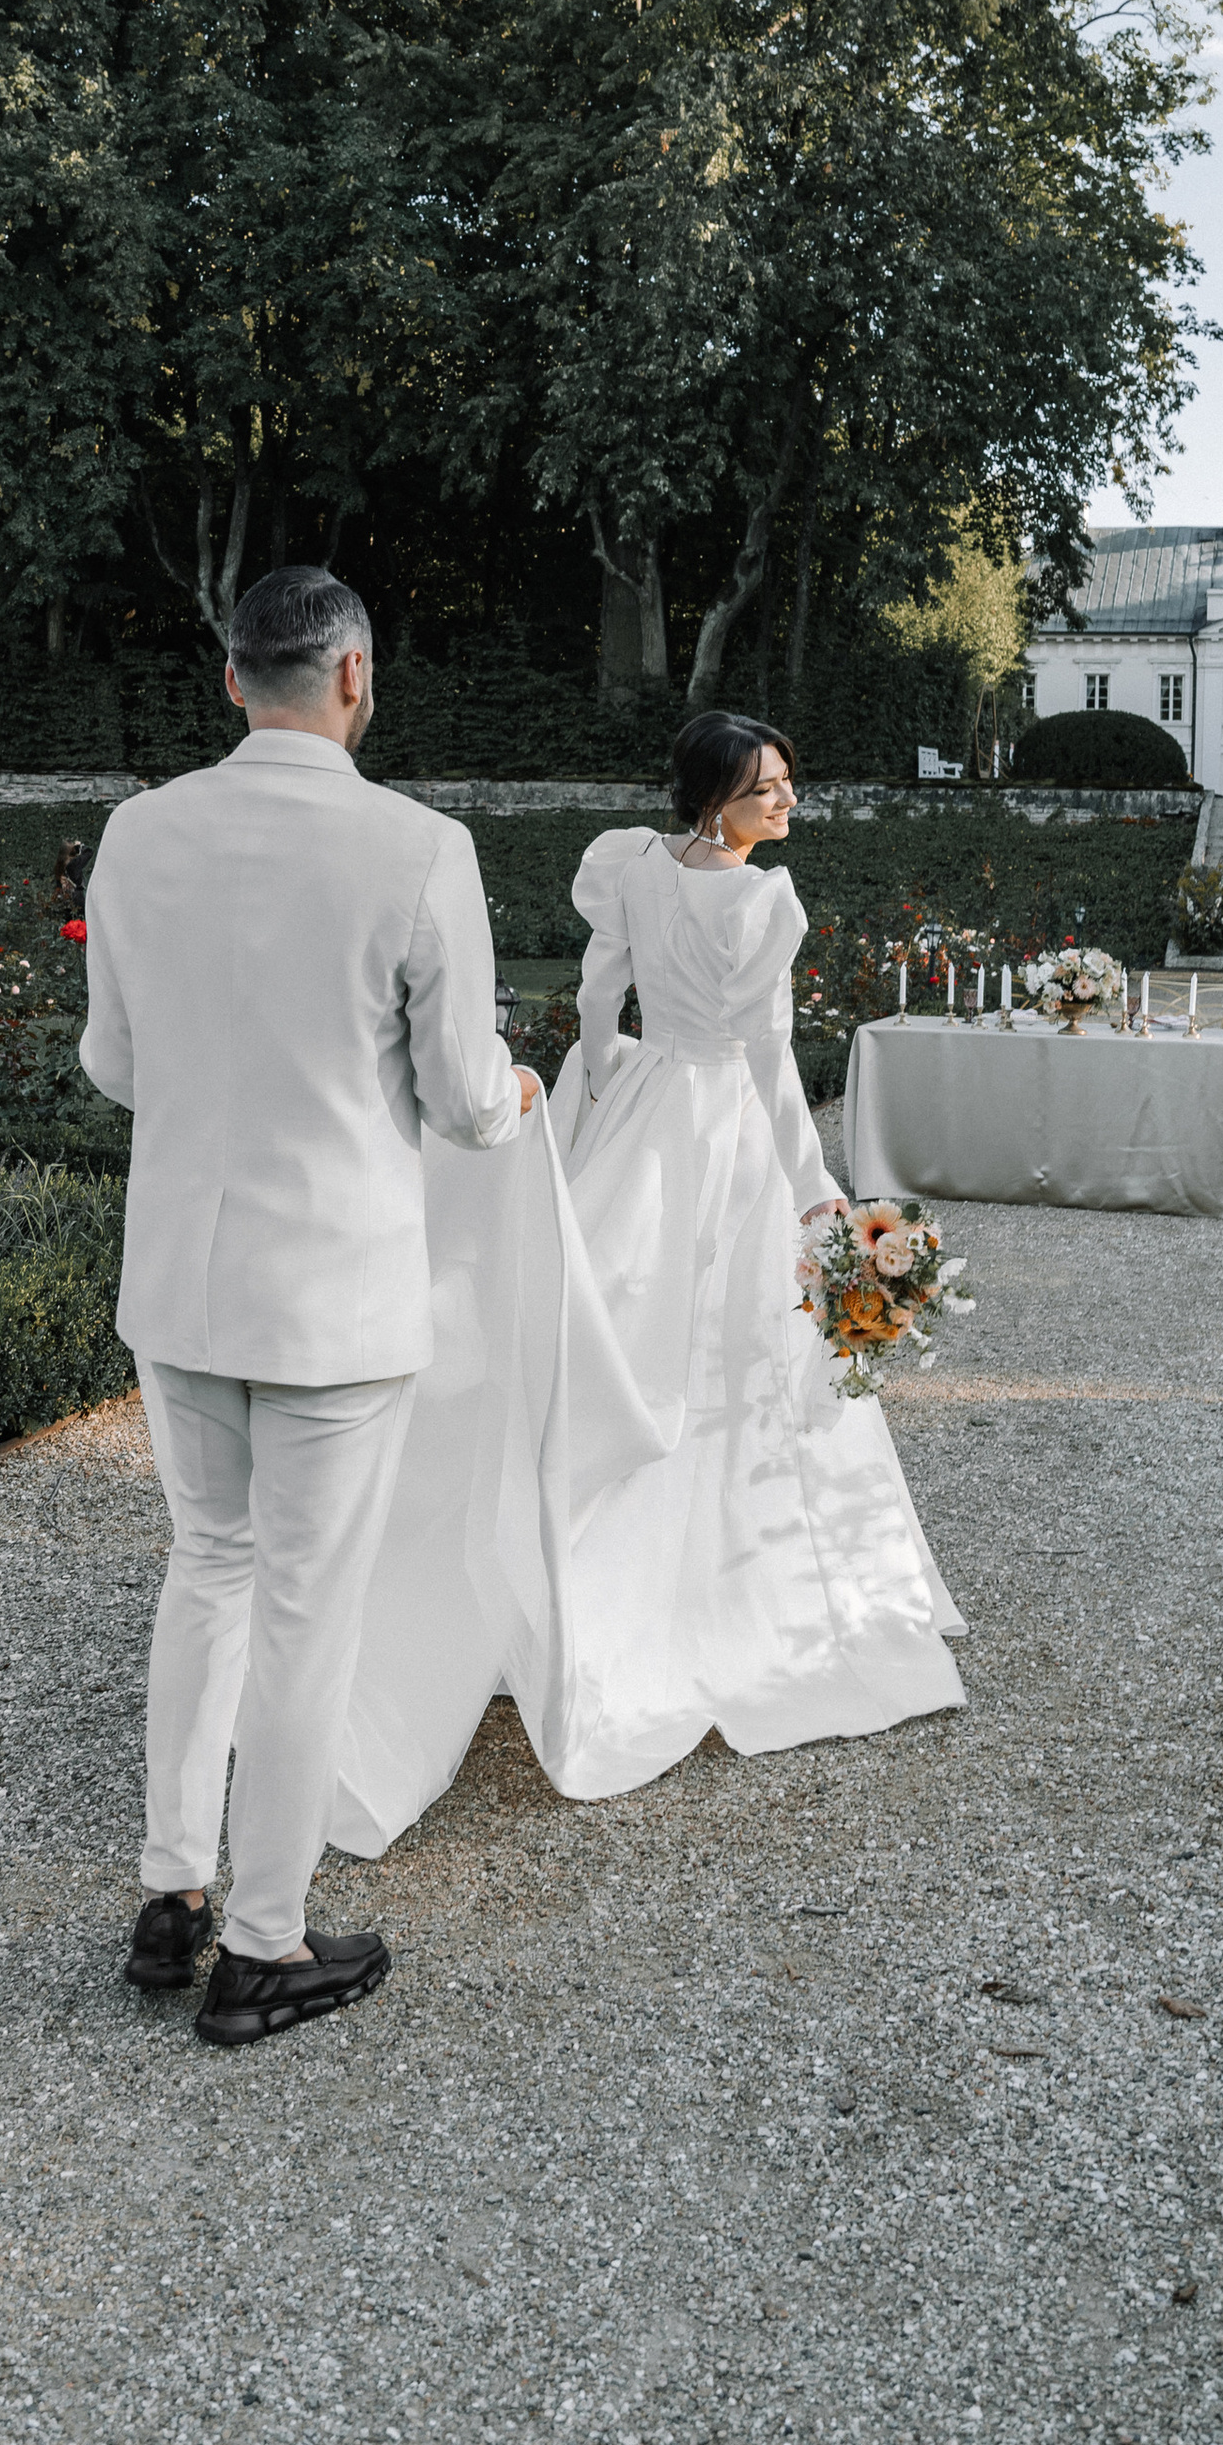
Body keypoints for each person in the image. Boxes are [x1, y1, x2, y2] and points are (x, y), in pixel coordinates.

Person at [329, 710, 963, 1845]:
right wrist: (817, 1189)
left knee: (618, 1340)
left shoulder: (626, 865)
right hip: (720, 1128)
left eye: (787, 785)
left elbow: (591, 999)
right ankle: (725, 1612)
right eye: (769, 789)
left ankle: (558, 1600)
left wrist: (602, 1084)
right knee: (733, 1357)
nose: (787, 805)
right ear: (718, 797)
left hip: (647, 1110)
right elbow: (770, 1060)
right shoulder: (765, 902)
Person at [77, 564, 537, 2048]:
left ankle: (170, 1893)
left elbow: (115, 1066)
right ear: (354, 677)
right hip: (332, 1292)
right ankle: (264, 1943)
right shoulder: (418, 845)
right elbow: (469, 1101)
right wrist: (519, 1087)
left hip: (182, 1279)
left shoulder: (140, 831)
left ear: (232, 681)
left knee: (205, 1564)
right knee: (304, 1608)